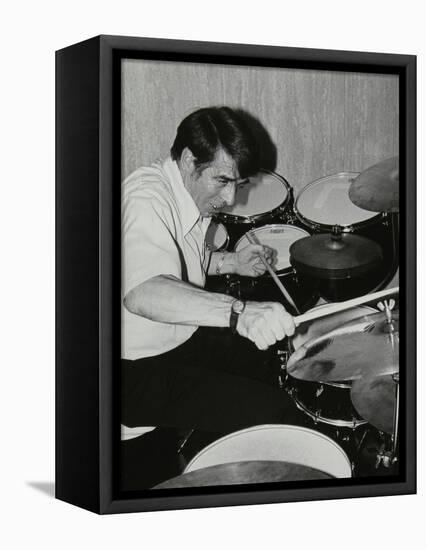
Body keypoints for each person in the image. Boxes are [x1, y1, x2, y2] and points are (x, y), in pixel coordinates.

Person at [121, 106, 297, 435]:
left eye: (239, 184)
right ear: (190, 161)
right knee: (277, 415)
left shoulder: (187, 192)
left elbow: (178, 258)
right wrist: (239, 312)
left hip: (179, 339)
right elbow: (144, 291)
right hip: (135, 372)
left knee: (268, 359)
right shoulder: (146, 199)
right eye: (222, 181)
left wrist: (231, 262)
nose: (230, 198)